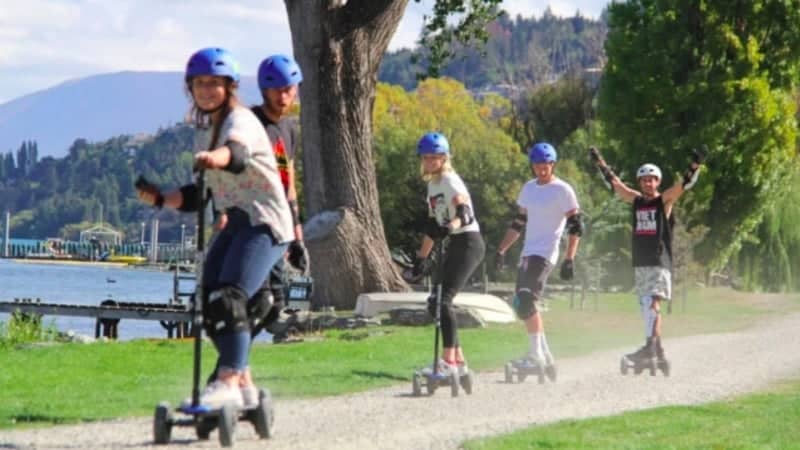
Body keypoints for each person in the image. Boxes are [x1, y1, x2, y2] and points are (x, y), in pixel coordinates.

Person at [136, 47, 293, 408]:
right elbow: (197, 196)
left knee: (231, 296)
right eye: (199, 84)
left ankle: (227, 380)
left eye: (214, 84)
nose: (206, 90)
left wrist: (214, 158)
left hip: (266, 221)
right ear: (190, 88)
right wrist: (160, 198)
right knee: (206, 302)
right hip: (238, 220)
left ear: (229, 86)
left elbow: (235, 157)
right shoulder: (205, 129)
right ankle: (244, 382)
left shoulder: (241, 121)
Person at [590, 146, 703, 366]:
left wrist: (695, 166)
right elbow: (616, 185)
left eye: (651, 180)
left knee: (652, 302)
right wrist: (600, 163)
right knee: (646, 305)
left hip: (658, 261)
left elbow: (685, 185)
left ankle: (650, 347)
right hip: (641, 261)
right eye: (643, 180)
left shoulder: (663, 201)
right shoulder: (637, 201)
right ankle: (656, 348)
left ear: (658, 182)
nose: (647, 184)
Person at [494, 142, 582, 373]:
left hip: (545, 253)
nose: (541, 169)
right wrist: (501, 249)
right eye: (537, 165)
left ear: (553, 165)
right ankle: (544, 355)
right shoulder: (529, 188)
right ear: (532, 166)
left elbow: (576, 226)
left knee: (526, 301)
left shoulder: (563, 190)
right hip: (528, 252)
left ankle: (536, 356)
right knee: (520, 303)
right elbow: (518, 223)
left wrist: (569, 258)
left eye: (546, 165)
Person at [405, 132, 486, 377]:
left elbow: (465, 213)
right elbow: (432, 228)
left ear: (444, 158)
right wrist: (421, 259)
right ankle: (458, 360)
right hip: (455, 243)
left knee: (443, 301)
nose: (430, 162)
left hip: (469, 243)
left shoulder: (451, 181)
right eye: (426, 157)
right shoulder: (432, 185)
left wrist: (449, 226)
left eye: (435, 157)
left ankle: (448, 361)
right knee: (434, 302)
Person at [245, 53, 307, 338]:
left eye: (289, 89)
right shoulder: (251, 123)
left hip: (279, 223)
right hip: (253, 221)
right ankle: (229, 364)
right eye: (278, 90)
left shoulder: (289, 129)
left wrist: (297, 234)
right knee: (262, 301)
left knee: (275, 305)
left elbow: (289, 181)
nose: (284, 97)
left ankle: (235, 367)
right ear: (264, 91)